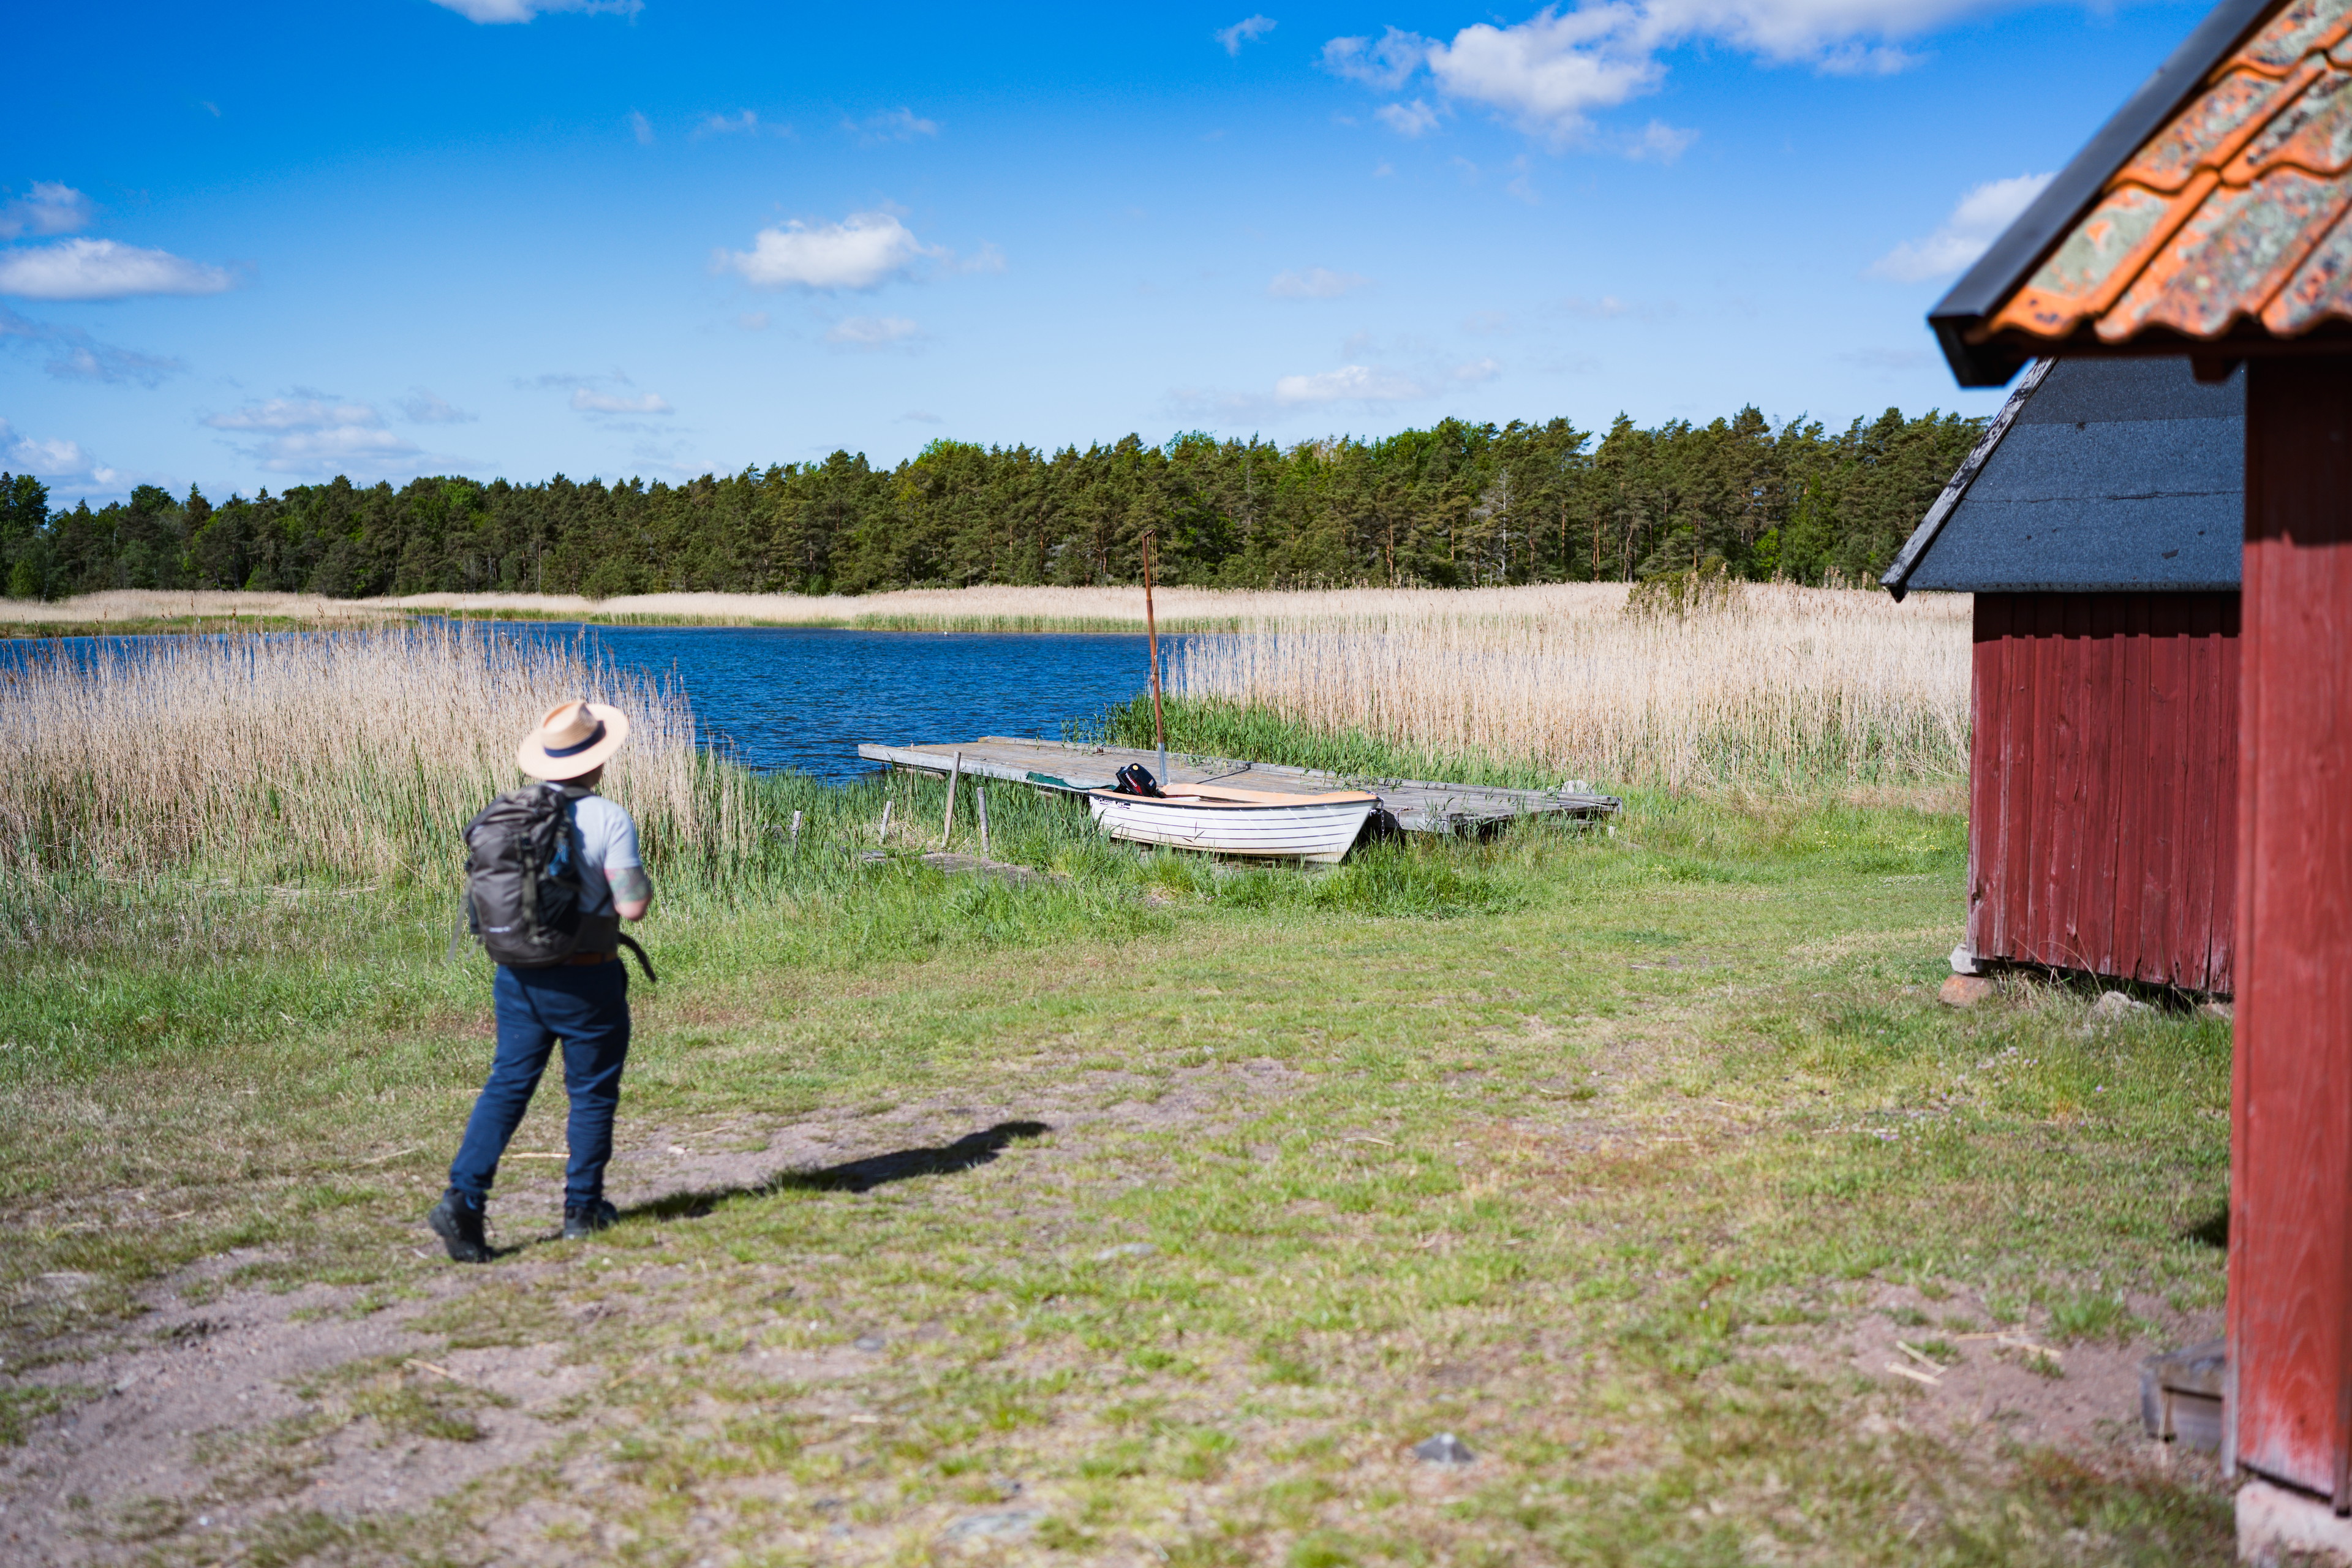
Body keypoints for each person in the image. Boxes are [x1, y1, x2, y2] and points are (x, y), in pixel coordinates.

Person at [428, 700, 652, 1264]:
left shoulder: (509, 811)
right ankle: (582, 1210)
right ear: (597, 761)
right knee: (592, 1091)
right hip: (588, 981)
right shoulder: (608, 817)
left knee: (506, 1088)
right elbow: (633, 908)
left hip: (518, 978)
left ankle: (464, 1201)